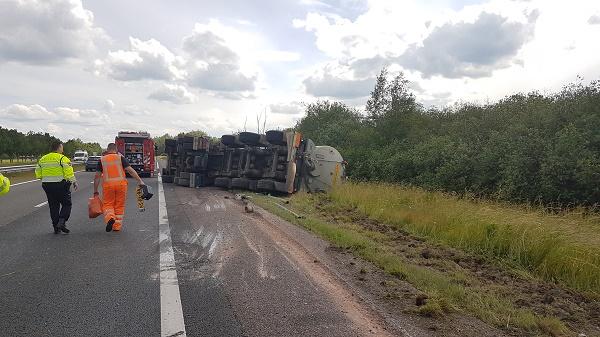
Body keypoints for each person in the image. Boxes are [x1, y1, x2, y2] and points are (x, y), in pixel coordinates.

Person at [93, 143, 145, 232]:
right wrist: (140, 181)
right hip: (121, 185)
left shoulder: (102, 160)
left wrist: (95, 190)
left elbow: (97, 177)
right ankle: (116, 226)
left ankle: (110, 218)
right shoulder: (120, 158)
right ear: (116, 149)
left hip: (108, 186)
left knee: (108, 204)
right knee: (119, 205)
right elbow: (130, 171)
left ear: (107, 149)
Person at [35, 141, 79, 234]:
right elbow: (68, 172)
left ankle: (56, 227)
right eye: (62, 147)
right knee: (66, 204)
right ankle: (62, 221)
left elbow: (38, 173)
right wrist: (74, 181)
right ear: (59, 147)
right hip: (61, 185)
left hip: (47, 185)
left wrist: (45, 178)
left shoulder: (43, 158)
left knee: (53, 206)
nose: (63, 149)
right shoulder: (63, 158)